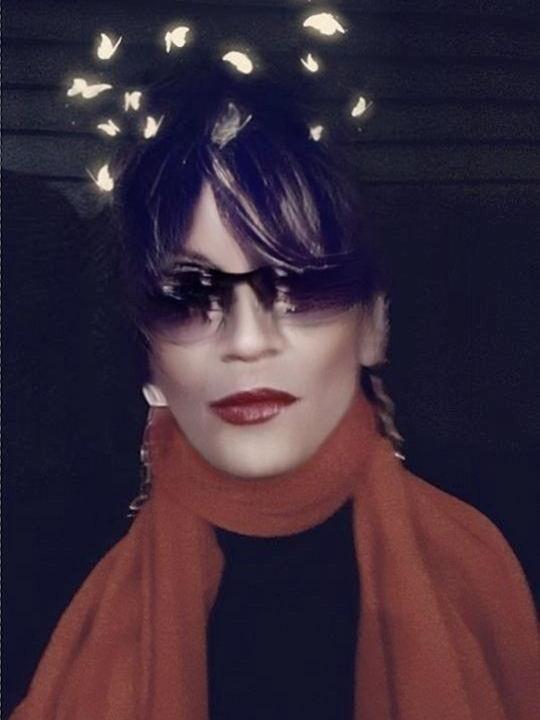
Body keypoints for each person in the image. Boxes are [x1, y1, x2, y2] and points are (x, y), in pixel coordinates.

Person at [11, 64, 539, 720]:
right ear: (147, 351)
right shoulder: (42, 580)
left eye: (299, 283)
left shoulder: (502, 551)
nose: (247, 338)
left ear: (373, 325)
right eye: (189, 293)